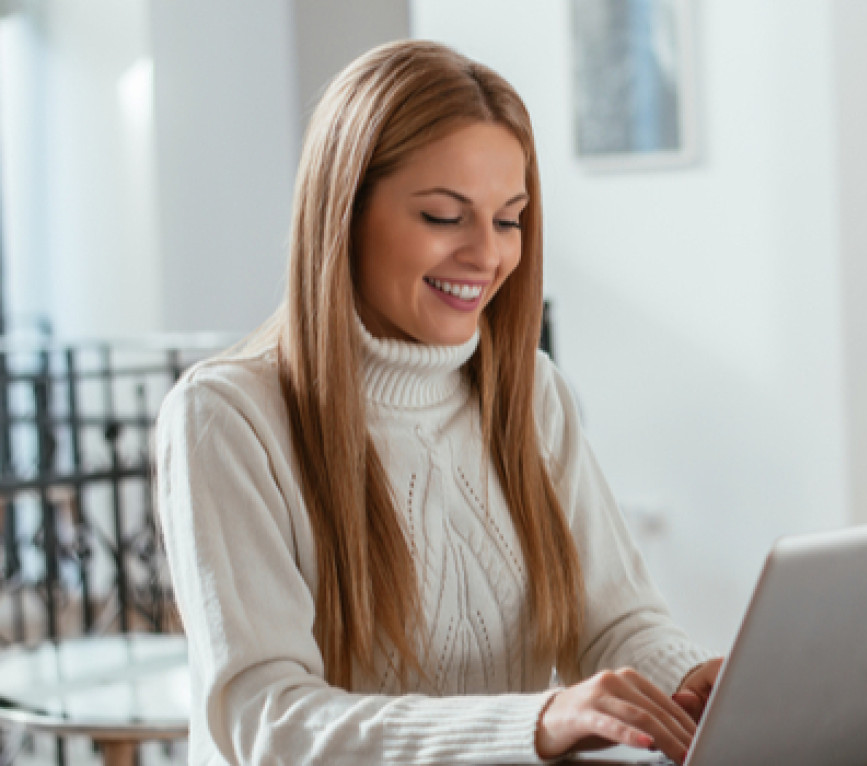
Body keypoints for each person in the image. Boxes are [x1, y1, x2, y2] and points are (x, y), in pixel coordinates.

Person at [155, 40, 720, 765]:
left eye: (509, 218)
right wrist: (537, 722)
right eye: (444, 217)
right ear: (345, 212)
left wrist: (696, 680)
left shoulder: (529, 391)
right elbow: (272, 724)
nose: (488, 256)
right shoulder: (227, 418)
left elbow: (616, 622)